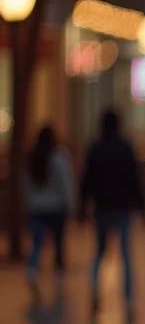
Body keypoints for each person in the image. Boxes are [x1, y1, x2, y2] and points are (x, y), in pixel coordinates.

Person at [80, 109, 145, 318]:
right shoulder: (126, 148)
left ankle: (94, 291)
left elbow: (86, 180)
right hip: (122, 209)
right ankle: (128, 301)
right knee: (125, 255)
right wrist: (143, 208)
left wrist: (82, 207)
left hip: (102, 208)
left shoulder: (95, 148)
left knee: (99, 253)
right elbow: (135, 180)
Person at [25, 126, 76, 300]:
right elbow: (65, 183)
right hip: (56, 207)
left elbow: (26, 185)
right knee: (58, 244)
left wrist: (29, 203)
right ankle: (59, 279)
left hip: (37, 207)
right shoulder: (59, 157)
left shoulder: (32, 157)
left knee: (37, 243)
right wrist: (70, 205)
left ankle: (32, 271)